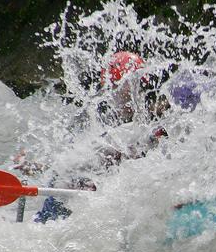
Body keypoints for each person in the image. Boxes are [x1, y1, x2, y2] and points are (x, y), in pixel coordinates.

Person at [21, 50, 197, 223]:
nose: (119, 95)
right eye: (117, 88)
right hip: (68, 197)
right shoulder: (105, 124)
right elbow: (76, 163)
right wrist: (38, 168)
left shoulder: (147, 121)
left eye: (120, 88)